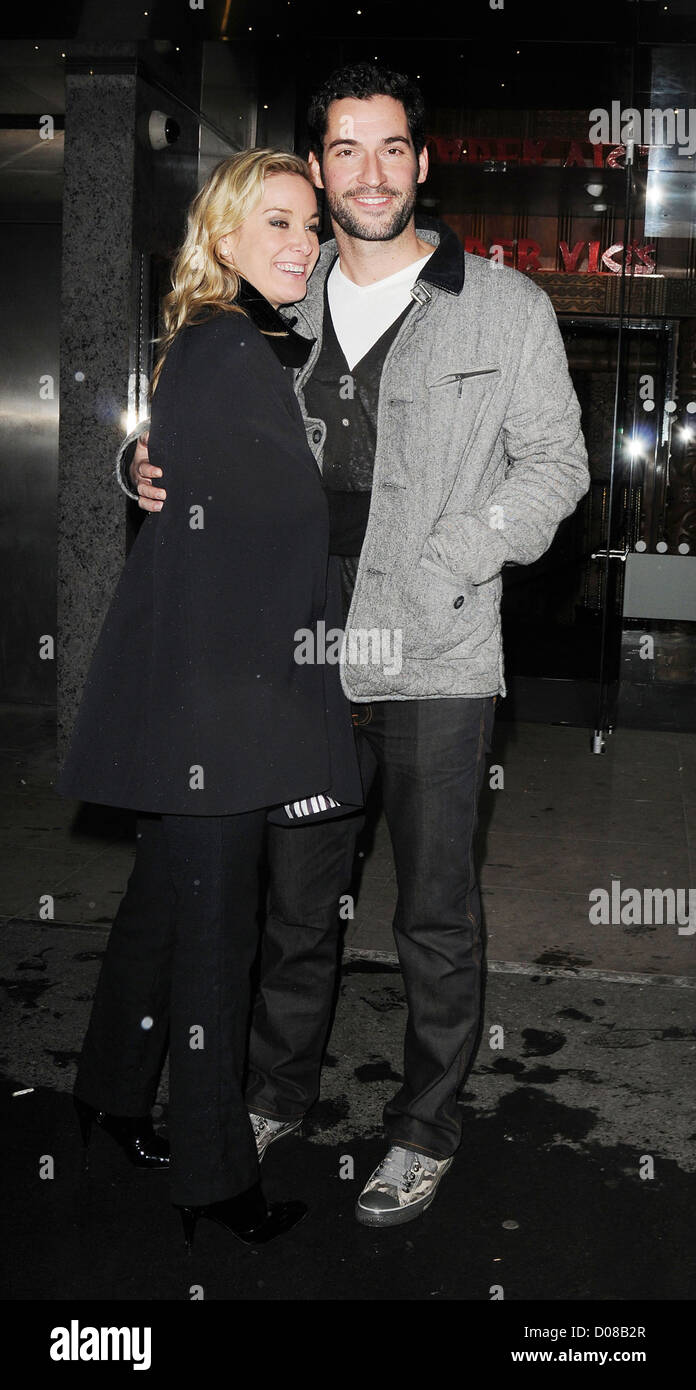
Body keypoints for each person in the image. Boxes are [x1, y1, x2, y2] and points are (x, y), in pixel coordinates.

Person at [122, 62, 590, 1229]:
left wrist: (453, 559)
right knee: (298, 901)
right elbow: (182, 408)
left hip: (432, 646)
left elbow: (559, 470)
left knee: (433, 909)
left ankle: (425, 1127)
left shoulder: (507, 306)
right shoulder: (282, 282)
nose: (369, 172)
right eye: (345, 150)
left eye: (392, 149)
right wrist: (134, 468)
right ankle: (274, 1094)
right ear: (319, 167)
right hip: (293, 642)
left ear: (422, 164)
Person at [59, 148, 362, 1250]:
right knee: (214, 945)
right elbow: (298, 525)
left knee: (157, 913)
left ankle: (105, 1091)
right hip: (227, 704)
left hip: (197, 690)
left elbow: (210, 495)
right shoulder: (233, 348)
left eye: (310, 224)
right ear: (223, 238)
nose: (302, 240)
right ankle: (213, 1178)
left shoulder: (208, 343)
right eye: (274, 221)